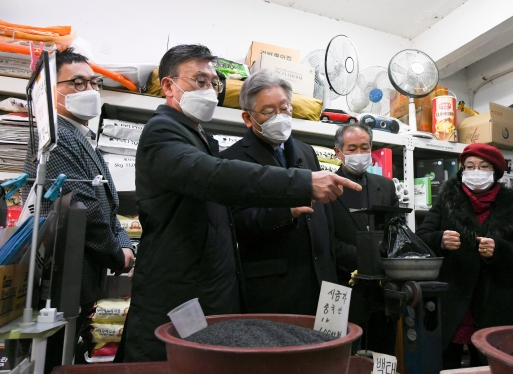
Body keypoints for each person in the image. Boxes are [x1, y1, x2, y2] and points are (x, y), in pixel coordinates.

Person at [119, 44, 361, 362]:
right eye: (199, 81)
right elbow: (217, 178)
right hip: (182, 296)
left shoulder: (199, 138)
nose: (209, 90)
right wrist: (302, 186)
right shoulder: (162, 133)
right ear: (168, 85)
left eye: (213, 83)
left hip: (215, 295)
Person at [22, 48, 134, 371]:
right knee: (50, 360)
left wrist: (124, 244)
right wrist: (118, 253)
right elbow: (82, 209)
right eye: (78, 83)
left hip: (79, 284)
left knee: (64, 359)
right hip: (57, 286)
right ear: (49, 90)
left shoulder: (81, 135)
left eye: (94, 83)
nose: (91, 91)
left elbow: (107, 207)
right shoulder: (54, 137)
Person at [220, 70, 338, 315]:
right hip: (273, 289)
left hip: (323, 283)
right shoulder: (232, 160)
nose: (280, 117)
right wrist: (287, 212)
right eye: (269, 111)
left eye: (284, 109)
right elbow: (235, 222)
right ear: (248, 117)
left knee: (325, 352)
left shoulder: (307, 152)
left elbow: (326, 221)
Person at [416, 143, 513, 369]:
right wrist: (440, 240)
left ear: (495, 172)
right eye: (470, 166)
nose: (476, 172)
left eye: (483, 167)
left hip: (496, 301)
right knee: (447, 364)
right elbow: (421, 237)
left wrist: (500, 249)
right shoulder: (447, 200)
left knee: (493, 364)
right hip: (454, 299)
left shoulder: (510, 206)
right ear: (462, 170)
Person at [329, 123, 399, 354]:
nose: (359, 154)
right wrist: (365, 260)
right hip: (340, 286)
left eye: (364, 147)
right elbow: (324, 239)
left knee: (383, 357)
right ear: (338, 153)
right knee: (340, 355)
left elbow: (396, 232)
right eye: (352, 149)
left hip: (382, 291)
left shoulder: (386, 186)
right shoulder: (326, 187)